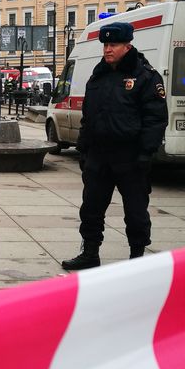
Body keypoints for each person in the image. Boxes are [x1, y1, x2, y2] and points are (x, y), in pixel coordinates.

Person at [61, 21, 168, 270]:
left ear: (127, 46)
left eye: (113, 45)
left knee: (135, 211)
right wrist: (83, 149)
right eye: (106, 45)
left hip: (130, 156)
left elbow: (155, 118)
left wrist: (145, 153)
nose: (108, 49)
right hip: (99, 156)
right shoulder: (99, 75)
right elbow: (89, 116)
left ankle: (137, 256)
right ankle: (90, 252)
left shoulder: (145, 76)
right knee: (91, 208)